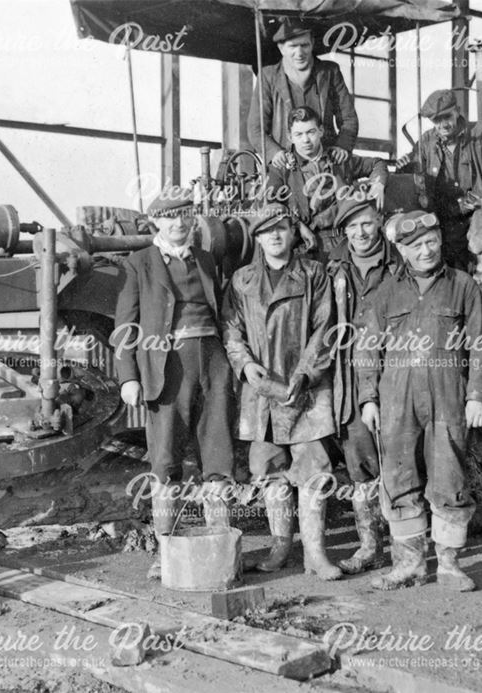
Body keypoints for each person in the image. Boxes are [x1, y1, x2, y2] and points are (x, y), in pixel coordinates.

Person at [355, 211, 482, 591]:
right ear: (401, 250)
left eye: (431, 241)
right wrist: (368, 398)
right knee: (399, 479)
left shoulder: (463, 286)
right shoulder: (385, 292)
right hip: (396, 398)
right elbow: (366, 349)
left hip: (447, 394)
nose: (426, 250)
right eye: (416, 245)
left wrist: (477, 396)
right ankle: (410, 564)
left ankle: (449, 565)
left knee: (449, 478)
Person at [112, 189, 234, 579]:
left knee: (218, 453)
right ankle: (165, 549)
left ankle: (219, 543)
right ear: (156, 223)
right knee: (165, 458)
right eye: (171, 217)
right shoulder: (138, 264)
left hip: (213, 361)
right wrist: (128, 377)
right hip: (166, 366)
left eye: (186, 216)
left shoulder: (206, 259)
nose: (180, 223)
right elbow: (124, 328)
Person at [223, 202, 341, 581]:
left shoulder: (314, 274)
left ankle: (316, 552)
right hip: (261, 392)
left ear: (293, 233)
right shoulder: (241, 280)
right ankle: (279, 548)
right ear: (257, 238)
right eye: (265, 230)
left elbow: (326, 328)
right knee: (270, 469)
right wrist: (244, 363)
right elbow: (231, 329)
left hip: (306, 389)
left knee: (314, 469)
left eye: (281, 228)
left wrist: (305, 374)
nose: (274, 235)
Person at [324, 195, 402, 574]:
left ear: (380, 222)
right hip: (350, 374)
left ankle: (407, 546)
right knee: (359, 459)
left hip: (396, 368)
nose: (361, 232)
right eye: (352, 226)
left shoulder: (400, 262)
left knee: (402, 455)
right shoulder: (334, 268)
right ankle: (370, 546)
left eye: (367, 223)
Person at [396, 89, 482, 307]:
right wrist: (407, 167)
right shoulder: (426, 142)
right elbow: (418, 179)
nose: (442, 125)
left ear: (457, 111)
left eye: (446, 117)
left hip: (479, 213)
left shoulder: (481, 135)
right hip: (447, 217)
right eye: (436, 120)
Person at [266, 106, 387, 255]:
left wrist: (378, 184)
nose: (306, 140)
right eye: (298, 134)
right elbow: (271, 206)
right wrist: (298, 226)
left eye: (311, 132)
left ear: (321, 131)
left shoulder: (339, 159)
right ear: (290, 137)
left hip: (344, 241)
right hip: (303, 245)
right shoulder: (281, 168)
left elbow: (378, 164)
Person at [247, 19, 358, 170]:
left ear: (312, 43)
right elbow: (256, 128)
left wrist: (342, 146)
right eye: (292, 46)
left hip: (327, 164)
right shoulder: (267, 76)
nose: (299, 53)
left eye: (304, 45)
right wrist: (274, 153)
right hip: (287, 167)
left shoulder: (330, 71)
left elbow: (349, 119)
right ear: (281, 48)